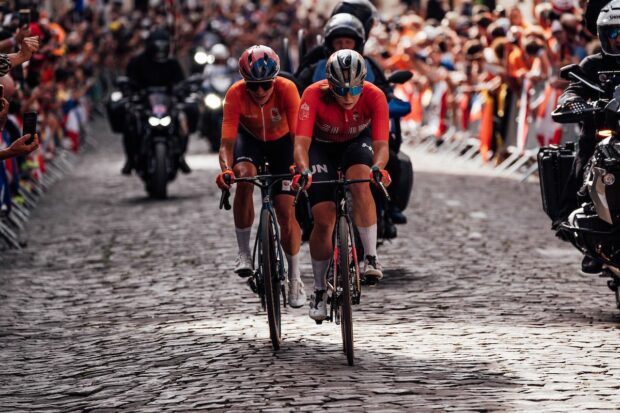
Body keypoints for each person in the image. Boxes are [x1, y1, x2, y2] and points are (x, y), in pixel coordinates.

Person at [292, 49, 391, 321]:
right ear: (329, 85)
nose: (348, 97)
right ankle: (320, 290)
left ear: (363, 83)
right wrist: (302, 169)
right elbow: (301, 143)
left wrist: (377, 168)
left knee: (361, 179)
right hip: (320, 149)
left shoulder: (374, 95)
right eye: (340, 90)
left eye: (354, 89)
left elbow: (382, 146)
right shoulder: (312, 94)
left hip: (355, 144)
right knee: (324, 218)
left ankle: (370, 257)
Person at [215, 45, 306, 308]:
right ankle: (244, 253)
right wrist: (226, 170)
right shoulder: (235, 94)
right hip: (251, 142)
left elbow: (298, 137)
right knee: (243, 177)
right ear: (244, 82)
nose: (260, 92)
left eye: (266, 85)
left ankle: (295, 277)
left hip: (283, 145)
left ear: (274, 80)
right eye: (253, 86)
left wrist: (300, 166)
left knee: (285, 211)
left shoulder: (287, 89)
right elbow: (226, 144)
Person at [555, 0, 620, 274]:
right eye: (615, 34)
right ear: (604, 36)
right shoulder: (593, 64)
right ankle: (588, 234)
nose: (619, 40)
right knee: (586, 155)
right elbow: (573, 87)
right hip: (603, 130)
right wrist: (573, 102)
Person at [123, 29, 189, 175]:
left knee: (183, 119)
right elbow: (129, 82)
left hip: (167, 103)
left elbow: (181, 82)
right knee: (130, 122)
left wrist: (182, 91)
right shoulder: (137, 62)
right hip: (145, 104)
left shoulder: (172, 63)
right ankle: (130, 158)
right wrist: (131, 92)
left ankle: (181, 155)